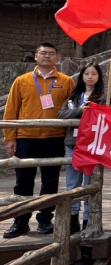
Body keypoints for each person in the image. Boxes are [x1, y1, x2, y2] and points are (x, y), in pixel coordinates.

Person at [3, 43, 74, 239]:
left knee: (50, 181)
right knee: (23, 181)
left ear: (57, 57)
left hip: (54, 138)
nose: (47, 56)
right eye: (43, 53)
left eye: (51, 53)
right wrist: (10, 138)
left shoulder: (66, 81)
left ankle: (45, 219)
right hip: (26, 138)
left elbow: (72, 108)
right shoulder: (22, 81)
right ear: (35, 56)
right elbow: (11, 110)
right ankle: (20, 220)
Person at [57, 62, 106, 234]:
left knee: (90, 183)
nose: (90, 77)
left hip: (92, 146)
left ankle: (88, 220)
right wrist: (79, 110)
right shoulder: (75, 95)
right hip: (73, 143)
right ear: (82, 76)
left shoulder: (103, 97)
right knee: (72, 183)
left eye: (94, 74)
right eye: (87, 74)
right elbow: (61, 114)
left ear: (99, 77)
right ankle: (72, 219)